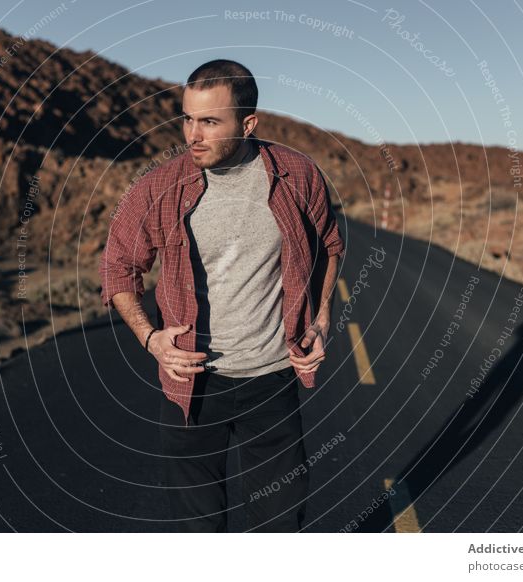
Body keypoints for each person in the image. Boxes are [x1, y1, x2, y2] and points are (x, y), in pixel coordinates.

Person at [99, 59, 345, 532]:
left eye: (210, 122)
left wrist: (321, 316)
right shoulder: (159, 186)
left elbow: (330, 245)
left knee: (278, 523)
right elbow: (118, 265)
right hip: (190, 384)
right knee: (198, 532)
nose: (193, 134)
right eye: (187, 118)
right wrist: (151, 339)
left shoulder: (296, 174)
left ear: (248, 123)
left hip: (270, 378)